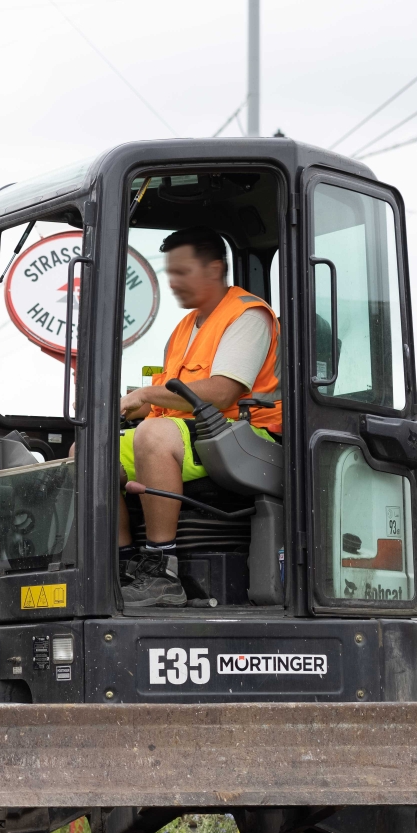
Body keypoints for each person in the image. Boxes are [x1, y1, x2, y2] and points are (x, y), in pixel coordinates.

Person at [117, 228, 281, 607]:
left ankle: (162, 571)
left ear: (214, 269)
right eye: (170, 273)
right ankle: (125, 565)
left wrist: (145, 398)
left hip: (245, 436)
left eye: (183, 272)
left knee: (153, 436)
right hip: (192, 433)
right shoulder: (184, 328)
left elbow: (223, 392)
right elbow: (161, 399)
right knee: (91, 449)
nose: (173, 283)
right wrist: (123, 404)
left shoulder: (247, 315)